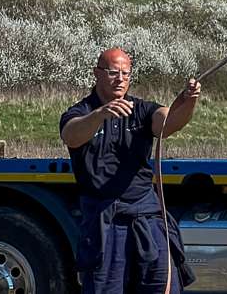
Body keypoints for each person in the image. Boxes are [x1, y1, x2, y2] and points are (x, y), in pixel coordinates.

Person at [60, 48, 202, 294]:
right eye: (114, 72)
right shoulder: (81, 111)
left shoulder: (141, 109)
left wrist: (189, 102)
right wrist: (101, 114)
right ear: (97, 73)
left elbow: (168, 124)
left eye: (126, 73)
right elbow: (71, 136)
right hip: (106, 222)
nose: (121, 79)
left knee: (163, 286)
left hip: (147, 216)